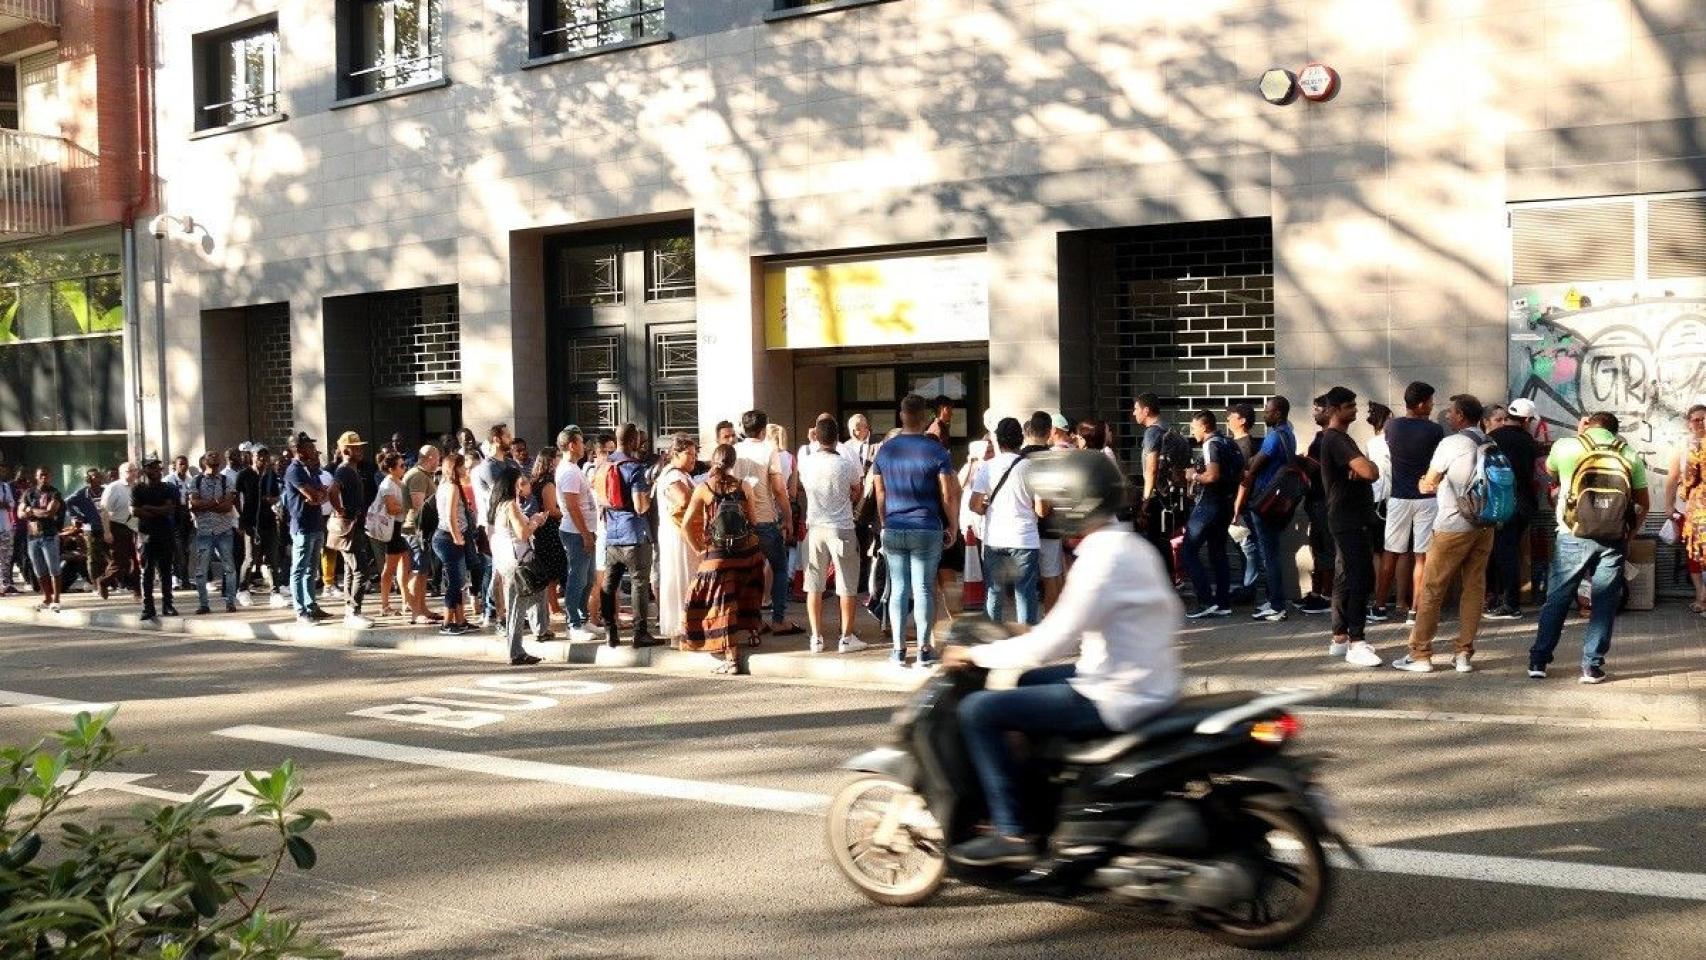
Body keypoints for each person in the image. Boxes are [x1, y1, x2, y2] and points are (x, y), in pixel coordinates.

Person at [940, 450, 1182, 866]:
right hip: (1141, 677)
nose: (1051, 510)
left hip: (1114, 694)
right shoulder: (1132, 546)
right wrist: (1023, 633)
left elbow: (1048, 644)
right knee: (1023, 684)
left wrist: (976, 654)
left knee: (980, 710)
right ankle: (1045, 792)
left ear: (1076, 503)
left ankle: (1012, 832)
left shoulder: (1100, 560)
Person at [1528, 412, 1650, 683]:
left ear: (1588, 425)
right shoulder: (1629, 453)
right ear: (1615, 432)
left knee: (1557, 599)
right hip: (1613, 538)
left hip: (1572, 534)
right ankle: (1591, 666)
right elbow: (1644, 503)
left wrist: (1578, 434)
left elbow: (1552, 472)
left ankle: (1539, 661)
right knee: (1605, 603)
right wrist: (1629, 534)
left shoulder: (1567, 446)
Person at [1392, 394, 1495, 673]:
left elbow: (1429, 483)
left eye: (1450, 412)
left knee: (1433, 588)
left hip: (1452, 525)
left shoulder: (1451, 443)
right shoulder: (1490, 442)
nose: (1447, 416)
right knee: (1474, 588)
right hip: (1485, 525)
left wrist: (1424, 482)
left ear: (1461, 416)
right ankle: (1463, 654)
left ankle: (1420, 654)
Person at [872, 394, 960, 667]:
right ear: (925, 418)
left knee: (898, 588)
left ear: (902, 415)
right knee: (924, 589)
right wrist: (953, 525)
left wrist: (884, 521)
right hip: (927, 526)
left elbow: (880, 492)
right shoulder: (937, 451)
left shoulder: (885, 450)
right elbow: (947, 494)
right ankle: (923, 650)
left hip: (895, 526)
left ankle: (898, 650)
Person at [681, 443, 766, 673]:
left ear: (713, 461)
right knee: (749, 586)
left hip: (717, 555)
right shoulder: (744, 486)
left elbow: (686, 525)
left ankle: (731, 658)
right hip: (746, 553)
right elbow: (754, 521)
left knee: (721, 602)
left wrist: (698, 549)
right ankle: (753, 631)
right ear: (733, 463)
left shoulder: (703, 488)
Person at [1316, 388, 1383, 668]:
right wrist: (1368, 467)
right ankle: (1356, 641)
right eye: (1349, 406)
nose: (1355, 410)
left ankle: (1340, 638)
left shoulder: (1338, 439)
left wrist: (1368, 467)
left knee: (1345, 577)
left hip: (1347, 517)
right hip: (1348, 518)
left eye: (1355, 404)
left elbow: (1369, 470)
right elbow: (1370, 472)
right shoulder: (1337, 439)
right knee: (1360, 577)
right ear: (1334, 410)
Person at [1375, 382, 1445, 624]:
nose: (1433, 405)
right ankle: (1415, 610)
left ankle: (1379, 606)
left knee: (1391, 552)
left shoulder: (1391, 426)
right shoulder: (1435, 431)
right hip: (1427, 498)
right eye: (1431, 401)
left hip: (1398, 497)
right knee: (1421, 556)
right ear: (1422, 403)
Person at [799, 418, 867, 651]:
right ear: (838, 438)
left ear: (816, 436)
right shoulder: (845, 465)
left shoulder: (806, 463)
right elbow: (857, 491)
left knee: (813, 584)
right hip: (842, 527)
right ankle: (846, 638)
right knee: (847, 584)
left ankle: (816, 637)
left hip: (815, 527)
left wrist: (812, 441)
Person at [971, 417, 1048, 626]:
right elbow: (1041, 510)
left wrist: (986, 507)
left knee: (994, 592)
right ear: (1020, 440)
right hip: (1024, 539)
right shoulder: (1030, 468)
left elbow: (974, 505)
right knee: (1024, 593)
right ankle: (1025, 646)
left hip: (995, 537)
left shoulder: (986, 468)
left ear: (997, 440)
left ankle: (992, 642)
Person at [733, 410, 801, 636]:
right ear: (763, 430)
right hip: (764, 518)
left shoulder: (735, 450)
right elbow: (780, 490)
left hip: (740, 521)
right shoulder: (768, 450)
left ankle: (753, 620)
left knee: (748, 572)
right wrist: (788, 517)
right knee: (780, 567)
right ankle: (779, 619)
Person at [598, 423, 660, 648]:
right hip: (634, 533)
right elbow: (640, 506)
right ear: (633, 441)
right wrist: (651, 494)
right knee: (639, 584)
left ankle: (610, 632)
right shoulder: (634, 468)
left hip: (611, 534)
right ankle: (640, 632)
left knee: (609, 584)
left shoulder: (604, 465)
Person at [1235, 396, 1296, 622]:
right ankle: (1273, 600)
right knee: (1270, 553)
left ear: (1278, 413)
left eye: (1268, 411)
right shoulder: (1289, 434)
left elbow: (1254, 464)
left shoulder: (1273, 437)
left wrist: (1248, 462)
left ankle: (1277, 605)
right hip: (1277, 501)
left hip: (1264, 502)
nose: (1264, 414)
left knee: (1269, 556)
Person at [1180, 410, 1243, 619]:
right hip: (1225, 504)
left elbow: (1213, 475)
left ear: (1205, 426)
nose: (1192, 431)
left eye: (1194, 427)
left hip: (1209, 504)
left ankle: (1206, 600)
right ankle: (1223, 603)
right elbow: (1241, 473)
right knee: (1218, 553)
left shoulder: (1210, 444)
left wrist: (1194, 475)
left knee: (1188, 551)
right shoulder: (1230, 443)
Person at [1486, 397, 1543, 618]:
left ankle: (1510, 604)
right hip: (1524, 504)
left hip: (1500, 503)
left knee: (1504, 552)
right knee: (1508, 550)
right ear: (1526, 419)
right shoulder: (1530, 442)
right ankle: (1506, 600)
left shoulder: (1491, 439)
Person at [487, 468, 546, 666]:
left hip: (506, 561)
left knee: (528, 599)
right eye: (517, 483)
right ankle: (516, 650)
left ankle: (527, 639)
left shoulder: (497, 505)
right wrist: (536, 522)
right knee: (517, 607)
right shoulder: (510, 505)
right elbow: (522, 533)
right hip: (518, 561)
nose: (520, 488)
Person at [1132, 393, 1184, 582]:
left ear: (1146, 410)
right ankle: (1171, 579)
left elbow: (1151, 468)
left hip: (1157, 497)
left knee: (1154, 540)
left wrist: (1146, 498)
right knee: (1163, 540)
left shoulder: (1152, 432)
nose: (1133, 413)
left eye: (1136, 409)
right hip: (1171, 496)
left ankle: (1159, 582)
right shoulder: (1168, 429)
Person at [654, 434, 700, 643]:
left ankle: (686, 628)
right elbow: (683, 500)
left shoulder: (683, 474)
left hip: (682, 534)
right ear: (676, 453)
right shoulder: (673, 476)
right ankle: (680, 631)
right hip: (678, 536)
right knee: (681, 579)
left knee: (687, 578)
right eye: (689, 454)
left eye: (695, 453)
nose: (693, 458)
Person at [326, 432, 375, 629]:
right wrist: (339, 509)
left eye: (360, 447)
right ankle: (354, 611)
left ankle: (350, 611)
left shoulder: (351, 470)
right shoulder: (344, 470)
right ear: (346, 450)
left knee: (350, 569)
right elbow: (332, 491)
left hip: (355, 525)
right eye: (355, 447)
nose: (360, 450)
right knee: (360, 570)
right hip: (350, 525)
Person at [282, 436, 331, 624]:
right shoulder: (294, 470)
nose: (314, 449)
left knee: (311, 569)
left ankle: (311, 605)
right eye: (310, 446)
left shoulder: (309, 469)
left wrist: (318, 496)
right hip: (302, 525)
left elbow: (322, 494)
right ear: (299, 450)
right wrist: (317, 495)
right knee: (299, 569)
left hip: (316, 523)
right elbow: (312, 494)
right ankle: (300, 610)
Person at [554, 426, 597, 640]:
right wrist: (585, 534)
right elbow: (572, 506)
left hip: (585, 531)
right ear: (572, 445)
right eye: (580, 442)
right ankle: (574, 624)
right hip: (576, 533)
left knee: (588, 578)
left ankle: (583, 617)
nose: (583, 446)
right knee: (577, 578)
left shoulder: (573, 468)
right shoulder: (569, 471)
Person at [1664, 404, 1706, 614]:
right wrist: (1668, 505)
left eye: (1704, 419)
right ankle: (1701, 594)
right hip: (1688, 509)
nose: (1700, 423)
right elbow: (1672, 478)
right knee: (1694, 554)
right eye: (1696, 419)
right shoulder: (1681, 447)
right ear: (1689, 423)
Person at [1294, 398, 1334, 614]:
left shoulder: (1331, 439)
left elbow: (1324, 469)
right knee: (1318, 549)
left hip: (1325, 503)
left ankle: (1327, 595)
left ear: (1330, 411)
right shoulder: (1320, 437)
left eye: (1318, 410)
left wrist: (1303, 463)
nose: (1314, 414)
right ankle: (1317, 592)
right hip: (1314, 501)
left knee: (1326, 549)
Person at [432, 452, 475, 636]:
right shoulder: (452, 488)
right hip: (448, 538)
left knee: (458, 580)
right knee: (455, 581)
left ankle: (460, 619)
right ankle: (447, 622)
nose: (465, 469)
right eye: (462, 466)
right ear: (455, 468)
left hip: (447, 537)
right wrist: (457, 537)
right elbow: (450, 516)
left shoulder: (444, 485)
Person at [400, 445, 443, 625]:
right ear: (430, 458)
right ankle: (416, 612)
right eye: (438, 459)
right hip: (416, 530)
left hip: (422, 530)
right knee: (417, 571)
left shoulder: (423, 475)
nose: (439, 463)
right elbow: (419, 505)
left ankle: (422, 608)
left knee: (424, 571)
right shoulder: (417, 476)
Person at [132, 459, 179, 621]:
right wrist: (155, 511)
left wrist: (149, 508)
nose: (156, 471)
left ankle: (168, 605)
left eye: (158, 468)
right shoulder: (138, 489)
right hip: (146, 534)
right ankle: (148, 607)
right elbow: (134, 511)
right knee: (147, 572)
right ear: (145, 470)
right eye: (151, 468)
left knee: (166, 571)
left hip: (165, 532)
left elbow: (169, 509)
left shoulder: (168, 488)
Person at [525, 449, 565, 641]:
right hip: (548, 529)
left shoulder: (536, 481)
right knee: (552, 570)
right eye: (557, 457)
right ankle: (554, 606)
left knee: (550, 569)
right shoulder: (548, 483)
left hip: (541, 528)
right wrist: (566, 511)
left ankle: (552, 605)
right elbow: (551, 510)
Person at [372, 452, 410, 618]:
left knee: (404, 565)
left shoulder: (399, 483)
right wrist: (410, 507)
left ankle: (406, 601)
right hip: (392, 528)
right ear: (391, 469)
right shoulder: (387, 484)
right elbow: (391, 508)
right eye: (401, 466)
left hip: (399, 527)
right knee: (390, 568)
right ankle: (385, 605)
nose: (404, 468)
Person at [21, 467, 65, 611]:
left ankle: (56, 600)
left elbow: (49, 513)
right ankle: (47, 598)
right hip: (33, 537)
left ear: (50, 476)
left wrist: (30, 510)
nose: (44, 478)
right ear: (36, 476)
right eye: (41, 475)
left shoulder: (54, 493)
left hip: (49, 535)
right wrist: (27, 511)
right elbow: (20, 513)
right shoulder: (29, 493)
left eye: (46, 475)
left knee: (54, 568)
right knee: (39, 570)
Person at [97, 462, 138, 600]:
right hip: (117, 527)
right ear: (122, 473)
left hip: (132, 527)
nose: (132, 473)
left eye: (134, 470)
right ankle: (104, 581)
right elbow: (104, 511)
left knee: (136, 560)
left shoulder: (136, 487)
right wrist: (107, 532)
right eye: (129, 471)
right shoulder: (114, 488)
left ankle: (138, 591)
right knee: (120, 562)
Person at [65, 468, 106, 596]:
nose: (97, 479)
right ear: (88, 479)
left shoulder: (106, 491)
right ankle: (96, 585)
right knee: (93, 558)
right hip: (91, 528)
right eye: (94, 477)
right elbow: (67, 503)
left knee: (108, 556)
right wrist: (77, 516)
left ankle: (110, 582)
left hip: (107, 527)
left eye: (99, 476)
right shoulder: (82, 493)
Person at [0, 464, 15, 596]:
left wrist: (5, 504)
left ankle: (5, 584)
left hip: (5, 527)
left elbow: (11, 504)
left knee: (5, 558)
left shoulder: (5, 487)